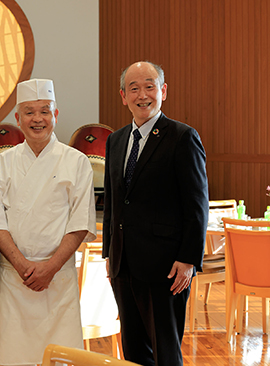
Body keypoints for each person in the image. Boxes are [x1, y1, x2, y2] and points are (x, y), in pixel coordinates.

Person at [103, 61, 209, 366]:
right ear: (123, 96)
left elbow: (197, 203)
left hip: (167, 267)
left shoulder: (182, 137)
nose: (142, 94)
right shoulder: (117, 139)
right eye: (133, 88)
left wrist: (189, 259)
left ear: (163, 91)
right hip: (123, 264)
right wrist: (110, 254)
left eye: (149, 86)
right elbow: (113, 199)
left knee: (165, 350)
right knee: (134, 350)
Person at [0, 79, 97, 365]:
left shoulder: (76, 161)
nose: (38, 119)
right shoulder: (0, 164)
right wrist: (24, 266)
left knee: (60, 358)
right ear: (18, 118)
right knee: (13, 358)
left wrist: (50, 268)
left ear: (55, 115)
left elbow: (80, 222)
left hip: (58, 279)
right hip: (14, 279)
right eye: (30, 112)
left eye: (45, 111)